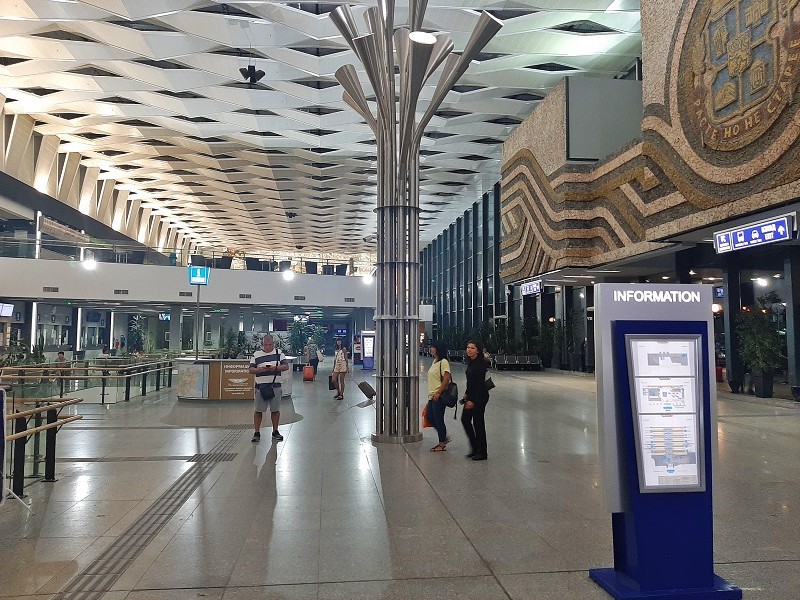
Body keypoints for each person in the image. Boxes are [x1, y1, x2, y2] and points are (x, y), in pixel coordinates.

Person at [249, 335, 289, 443]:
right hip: (260, 387)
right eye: (265, 345)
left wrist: (275, 368)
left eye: (270, 345)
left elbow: (286, 366)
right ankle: (256, 432)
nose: (268, 347)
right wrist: (259, 370)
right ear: (262, 344)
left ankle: (275, 431)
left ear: (273, 343)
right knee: (258, 411)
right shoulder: (256, 355)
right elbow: (251, 369)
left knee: (275, 410)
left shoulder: (279, 353)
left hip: (275, 387)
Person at [461, 339, 490, 461]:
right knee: (465, 420)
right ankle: (475, 447)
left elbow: (479, 385)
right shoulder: (471, 362)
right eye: (468, 347)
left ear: (477, 350)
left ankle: (482, 452)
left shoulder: (480, 364)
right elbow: (471, 383)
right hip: (472, 395)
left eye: (472, 348)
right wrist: (466, 394)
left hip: (480, 396)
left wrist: (472, 400)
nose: (469, 350)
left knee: (478, 423)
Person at [426, 341, 452, 452]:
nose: (430, 349)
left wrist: (439, 392)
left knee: (438, 419)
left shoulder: (443, 362)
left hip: (439, 396)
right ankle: (443, 437)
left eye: (432, 347)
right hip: (432, 396)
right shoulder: (435, 361)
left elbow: (446, 379)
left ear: (437, 349)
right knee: (429, 417)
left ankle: (442, 443)